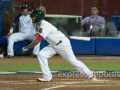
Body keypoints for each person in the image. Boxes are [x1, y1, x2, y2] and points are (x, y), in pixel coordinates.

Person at [22, 9, 97, 82]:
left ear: (38, 17)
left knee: (73, 61)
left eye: (33, 16)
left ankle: (91, 75)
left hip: (62, 45)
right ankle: (47, 76)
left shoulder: (44, 25)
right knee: (42, 54)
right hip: (54, 44)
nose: (32, 17)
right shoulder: (39, 25)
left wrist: (27, 47)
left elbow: (38, 40)